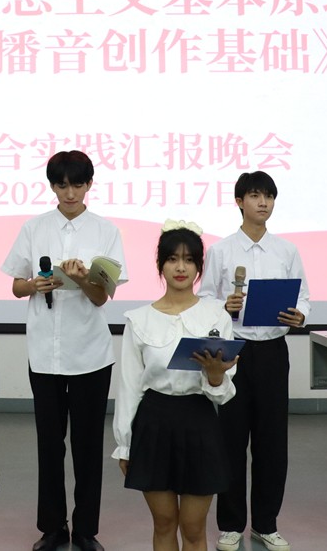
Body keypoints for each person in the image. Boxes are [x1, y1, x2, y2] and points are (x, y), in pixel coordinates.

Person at [1, 150, 127, 551]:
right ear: (52, 186)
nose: (69, 193)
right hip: (45, 353)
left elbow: (102, 297)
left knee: (88, 446)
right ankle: (53, 528)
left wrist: (85, 279)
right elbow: (16, 284)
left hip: (90, 354)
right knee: (49, 445)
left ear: (89, 184)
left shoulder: (105, 231)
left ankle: (86, 529)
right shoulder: (34, 227)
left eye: (77, 184)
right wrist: (34, 285)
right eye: (61, 185)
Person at [197, 171, 310, 551]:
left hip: (273, 352)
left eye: (269, 197)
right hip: (234, 352)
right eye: (256, 195)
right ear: (239, 201)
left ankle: (266, 524)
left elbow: (304, 296)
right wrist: (222, 306)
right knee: (230, 440)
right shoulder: (221, 251)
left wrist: (300, 315)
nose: (263, 203)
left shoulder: (286, 251)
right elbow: (204, 299)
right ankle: (230, 525)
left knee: (272, 442)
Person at [113, 220, 238, 551]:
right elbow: (129, 387)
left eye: (189, 260)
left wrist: (215, 375)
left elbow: (223, 390)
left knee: (194, 528)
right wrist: (125, 444)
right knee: (164, 522)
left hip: (199, 420)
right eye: (172, 259)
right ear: (161, 265)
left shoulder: (216, 316)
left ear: (198, 267)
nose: (180, 267)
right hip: (153, 423)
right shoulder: (139, 319)